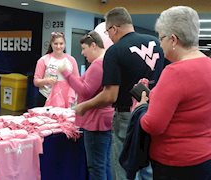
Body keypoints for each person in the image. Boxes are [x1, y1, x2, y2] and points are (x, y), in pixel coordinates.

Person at [75, 7, 165, 180]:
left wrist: (84, 106)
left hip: (127, 115)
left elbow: (110, 96)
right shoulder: (156, 43)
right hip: (153, 111)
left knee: (123, 167)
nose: (109, 37)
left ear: (114, 28)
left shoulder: (115, 51)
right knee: (147, 166)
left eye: (108, 33)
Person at [136, 6, 211, 180]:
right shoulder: (208, 65)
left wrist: (140, 108)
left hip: (175, 162)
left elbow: (153, 125)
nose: (160, 45)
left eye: (161, 38)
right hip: (204, 157)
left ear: (173, 39)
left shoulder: (174, 72)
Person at [58, 31, 114, 180]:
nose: (82, 53)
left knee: (96, 166)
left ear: (94, 46)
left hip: (95, 122)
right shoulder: (106, 61)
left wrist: (66, 74)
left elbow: (86, 90)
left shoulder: (98, 64)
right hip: (104, 120)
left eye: (84, 49)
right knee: (105, 164)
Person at [33, 32, 79, 108]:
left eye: (61, 44)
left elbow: (77, 81)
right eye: (56, 43)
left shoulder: (71, 60)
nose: (58, 46)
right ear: (51, 44)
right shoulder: (43, 60)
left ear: (64, 44)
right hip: (45, 96)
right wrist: (47, 81)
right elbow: (36, 81)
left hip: (65, 98)